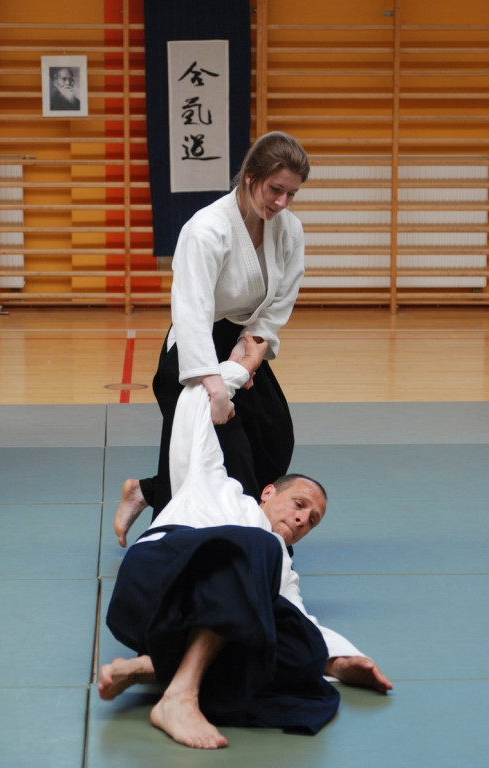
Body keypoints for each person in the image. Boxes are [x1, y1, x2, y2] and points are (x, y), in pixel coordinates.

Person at [100, 334, 392, 750]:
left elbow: (298, 617)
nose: (301, 519)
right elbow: (196, 408)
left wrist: (342, 662)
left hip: (176, 627)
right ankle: (179, 696)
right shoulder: (218, 487)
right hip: (156, 580)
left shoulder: (279, 566)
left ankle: (153, 669)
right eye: (299, 504)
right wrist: (240, 370)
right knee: (258, 546)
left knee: (300, 646)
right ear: (268, 492)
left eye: (312, 520)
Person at [114, 131, 311, 547]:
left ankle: (148, 492)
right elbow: (191, 311)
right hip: (194, 347)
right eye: (275, 190)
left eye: (291, 194)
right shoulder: (206, 230)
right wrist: (214, 383)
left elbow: (282, 296)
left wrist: (253, 349)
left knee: (275, 437)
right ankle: (238, 541)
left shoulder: (288, 229)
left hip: (244, 340)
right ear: (249, 177)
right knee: (216, 449)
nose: (282, 203)